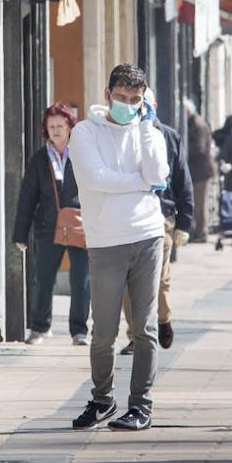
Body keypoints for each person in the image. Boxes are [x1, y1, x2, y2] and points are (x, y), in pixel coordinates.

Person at [67, 63, 170, 432]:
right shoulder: (85, 132)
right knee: (104, 332)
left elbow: (158, 176)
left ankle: (141, 405)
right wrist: (140, 184)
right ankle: (102, 399)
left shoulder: (150, 132)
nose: (128, 104)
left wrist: (144, 127)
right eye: (122, 97)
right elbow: (95, 179)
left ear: (144, 101)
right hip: (105, 240)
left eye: (136, 100)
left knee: (144, 328)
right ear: (108, 94)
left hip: (147, 236)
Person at [122, 87, 193, 354]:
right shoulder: (125, 135)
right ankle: (136, 334)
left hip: (162, 217)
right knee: (129, 279)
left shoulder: (169, 137)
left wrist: (185, 224)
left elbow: (182, 181)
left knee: (158, 276)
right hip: (130, 217)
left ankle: (162, 319)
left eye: (143, 103)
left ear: (154, 105)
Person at [13, 103, 90, 346]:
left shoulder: (82, 154)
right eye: (51, 126)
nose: (56, 130)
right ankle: (40, 327)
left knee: (81, 280)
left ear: (70, 127)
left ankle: (79, 330)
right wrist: (20, 233)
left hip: (79, 225)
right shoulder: (39, 159)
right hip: (48, 226)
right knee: (44, 279)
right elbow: (27, 197)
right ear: (46, 129)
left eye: (61, 126)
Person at [184, 99, 216, 243]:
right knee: (196, 202)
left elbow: (200, 147)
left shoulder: (198, 125)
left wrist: (184, 151)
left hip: (201, 171)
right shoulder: (192, 123)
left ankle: (201, 232)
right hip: (195, 170)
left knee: (200, 202)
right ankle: (197, 230)